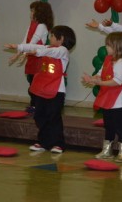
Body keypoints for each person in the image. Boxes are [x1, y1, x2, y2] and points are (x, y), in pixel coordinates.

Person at [5, 25, 76, 154]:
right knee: (39, 116)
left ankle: (58, 143)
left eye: (53, 36)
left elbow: (51, 52)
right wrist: (18, 47)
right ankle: (44, 141)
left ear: (61, 39)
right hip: (43, 89)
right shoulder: (47, 48)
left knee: (53, 117)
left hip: (56, 91)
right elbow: (34, 47)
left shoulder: (63, 51)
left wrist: (37, 52)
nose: (50, 38)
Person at [82, 32, 122, 162]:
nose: (106, 47)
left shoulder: (121, 63)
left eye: (108, 45)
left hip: (117, 101)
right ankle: (107, 150)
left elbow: (117, 81)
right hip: (107, 97)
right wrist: (92, 79)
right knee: (108, 125)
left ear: (117, 47)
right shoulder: (107, 60)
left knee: (119, 126)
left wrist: (100, 83)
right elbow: (100, 74)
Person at [9, 1, 54, 113]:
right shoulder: (32, 24)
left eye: (32, 11)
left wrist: (24, 54)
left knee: (36, 83)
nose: (31, 13)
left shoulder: (42, 26)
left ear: (39, 13)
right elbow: (25, 41)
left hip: (39, 58)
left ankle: (37, 106)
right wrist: (17, 54)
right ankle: (34, 104)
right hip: (31, 57)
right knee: (31, 81)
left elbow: (33, 43)